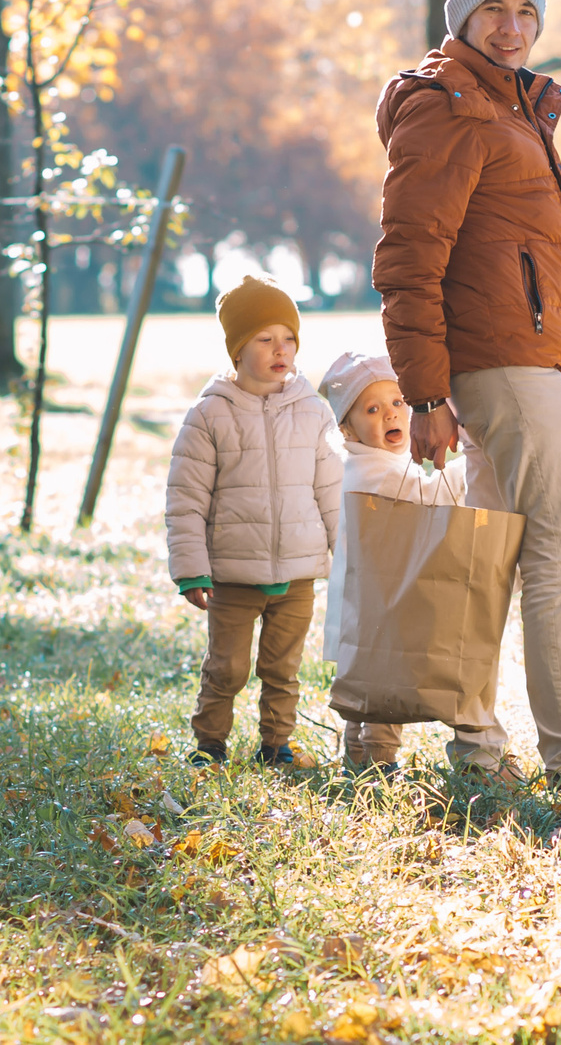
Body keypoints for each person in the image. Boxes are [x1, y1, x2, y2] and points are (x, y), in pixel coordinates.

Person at [371, 0, 561, 789]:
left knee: (489, 558)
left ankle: (478, 749)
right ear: (462, 18)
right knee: (558, 552)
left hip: (518, 358)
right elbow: (409, 258)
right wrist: (424, 392)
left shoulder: (505, 104)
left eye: (526, 12)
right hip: (506, 360)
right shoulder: (452, 105)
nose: (512, 26)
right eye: (493, 9)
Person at [165, 276, 343, 769]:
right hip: (233, 574)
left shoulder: (313, 411)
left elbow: (332, 492)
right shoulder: (209, 414)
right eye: (264, 339)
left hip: (298, 573)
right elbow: (186, 499)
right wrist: (191, 569)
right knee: (227, 667)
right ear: (238, 350)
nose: (280, 349)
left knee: (283, 667)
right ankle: (210, 744)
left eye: (288, 338)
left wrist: (349, 556)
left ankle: (276, 744)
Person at [317, 348, 473, 775]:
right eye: (372, 409)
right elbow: (429, 499)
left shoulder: (374, 463)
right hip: (378, 603)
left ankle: (355, 757)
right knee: (384, 684)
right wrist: (467, 469)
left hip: (365, 601)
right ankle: (378, 761)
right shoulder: (373, 473)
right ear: (347, 428)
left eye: (398, 402)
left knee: (364, 683)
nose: (390, 414)